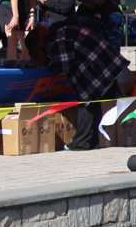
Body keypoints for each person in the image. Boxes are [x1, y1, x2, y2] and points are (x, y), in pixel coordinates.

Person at [47, 19, 128, 151]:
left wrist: (51, 66)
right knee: (94, 103)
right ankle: (92, 141)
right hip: (106, 63)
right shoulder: (69, 29)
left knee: (87, 103)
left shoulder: (59, 37)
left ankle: (82, 142)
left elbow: (64, 65)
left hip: (98, 67)